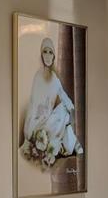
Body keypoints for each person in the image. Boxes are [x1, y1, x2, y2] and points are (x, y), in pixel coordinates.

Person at [20, 37, 82, 167]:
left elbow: (63, 95)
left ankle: (69, 143)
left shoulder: (55, 79)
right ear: (41, 55)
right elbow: (33, 102)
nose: (47, 56)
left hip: (50, 118)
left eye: (50, 52)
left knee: (64, 111)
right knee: (42, 133)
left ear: (53, 56)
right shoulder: (38, 76)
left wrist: (71, 109)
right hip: (36, 121)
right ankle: (61, 144)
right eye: (45, 52)